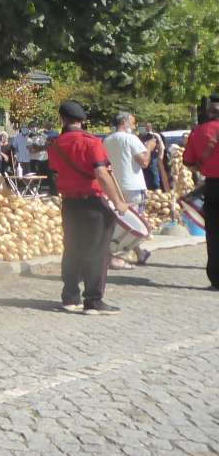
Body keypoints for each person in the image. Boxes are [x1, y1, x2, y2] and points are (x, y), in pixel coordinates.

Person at [49, 100, 129, 315]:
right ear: (82, 121)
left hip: (69, 203)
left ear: (62, 119)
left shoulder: (55, 145)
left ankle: (70, 297)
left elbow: (56, 171)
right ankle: (93, 301)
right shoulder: (91, 142)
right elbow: (101, 174)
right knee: (97, 251)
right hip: (93, 203)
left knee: (72, 249)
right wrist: (118, 202)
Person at [104, 112, 155, 266]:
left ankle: (140, 253)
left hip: (115, 186)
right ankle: (118, 256)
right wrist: (149, 148)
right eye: (132, 123)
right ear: (124, 122)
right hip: (133, 186)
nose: (134, 126)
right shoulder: (131, 138)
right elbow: (144, 162)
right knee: (135, 225)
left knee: (120, 223)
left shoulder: (107, 140)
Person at [182, 100, 219, 290]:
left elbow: (188, 161)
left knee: (213, 234)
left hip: (211, 186)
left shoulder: (197, 132)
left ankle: (216, 277)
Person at [141, 121, 167, 190]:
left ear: (151, 127)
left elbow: (161, 147)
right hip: (145, 156)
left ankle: (157, 188)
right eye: (146, 126)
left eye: (148, 126)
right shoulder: (142, 136)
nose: (147, 128)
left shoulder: (155, 135)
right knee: (146, 175)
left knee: (154, 173)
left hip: (154, 156)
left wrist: (160, 157)